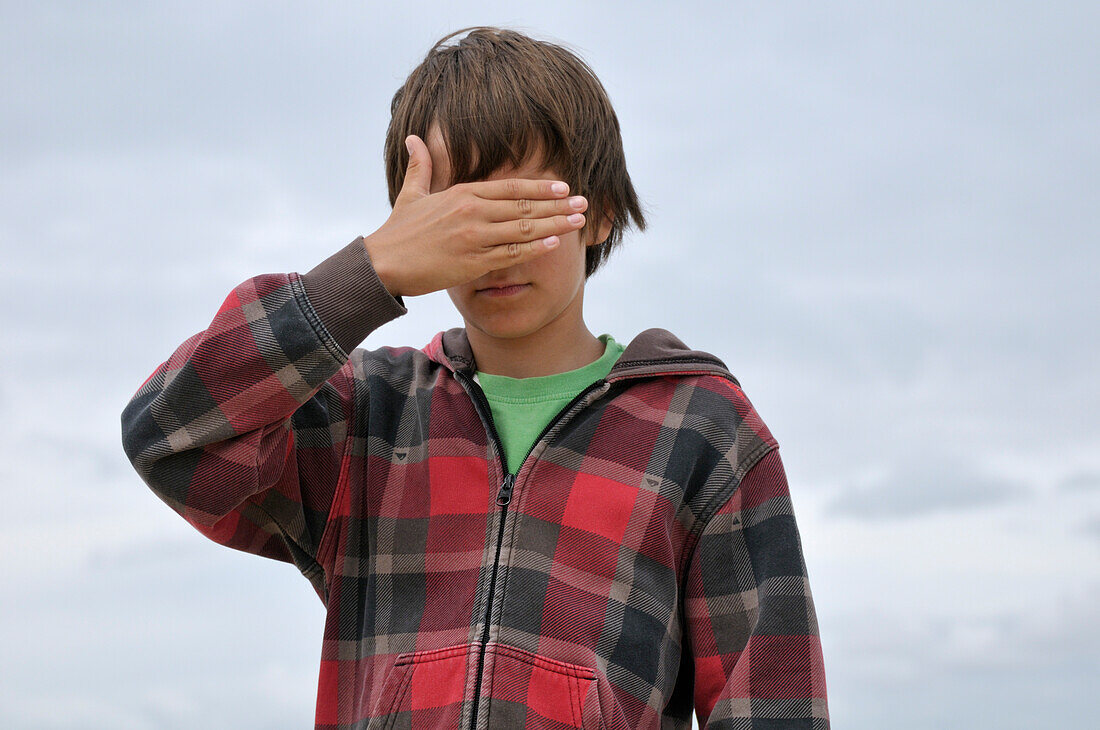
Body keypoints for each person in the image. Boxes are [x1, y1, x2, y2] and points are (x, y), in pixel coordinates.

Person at [120, 25, 829, 729]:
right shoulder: (366, 416)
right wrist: (370, 271)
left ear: (601, 208)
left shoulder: (702, 430)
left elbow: (773, 705)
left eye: (523, 206)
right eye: (461, 217)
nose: (495, 246)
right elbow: (168, 434)